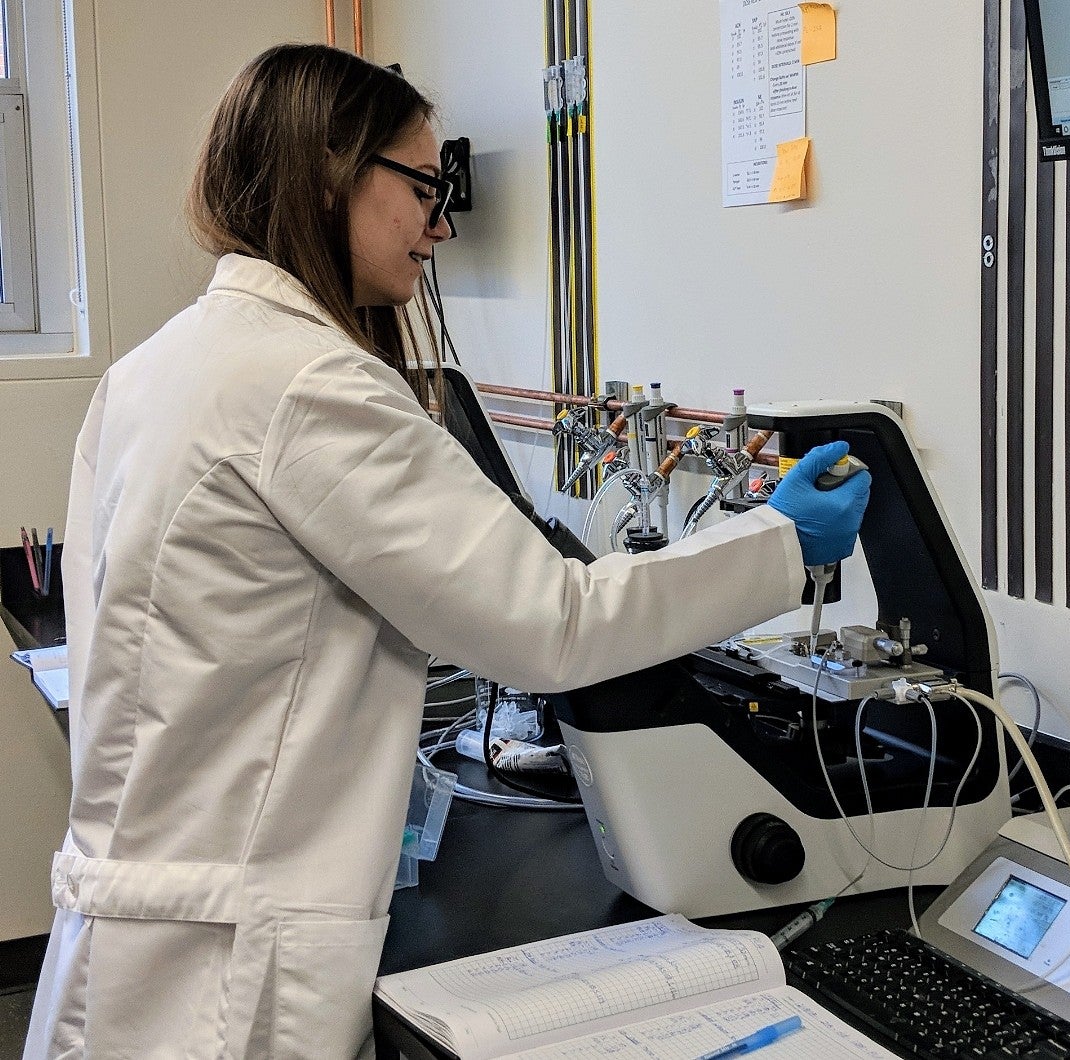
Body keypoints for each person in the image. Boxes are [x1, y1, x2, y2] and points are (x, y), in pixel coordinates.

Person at [23, 43, 869, 1060]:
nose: (443, 221)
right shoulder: (309, 384)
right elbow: (552, 625)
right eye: (425, 186)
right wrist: (780, 541)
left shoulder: (159, 368)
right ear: (333, 173)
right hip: (231, 973)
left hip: (130, 944)